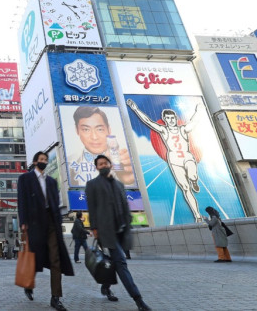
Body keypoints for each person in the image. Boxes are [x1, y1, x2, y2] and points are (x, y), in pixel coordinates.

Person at [86, 155, 151, 311]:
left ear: (110, 165)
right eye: (100, 164)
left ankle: (106, 286)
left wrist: (128, 221)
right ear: (96, 167)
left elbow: (125, 205)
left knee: (116, 262)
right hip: (105, 231)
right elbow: (92, 208)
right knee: (121, 262)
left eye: (105, 163)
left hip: (122, 230)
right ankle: (138, 300)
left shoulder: (119, 185)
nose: (103, 166)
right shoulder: (92, 184)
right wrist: (94, 228)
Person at [127, 99, 203, 222]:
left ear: (175, 118)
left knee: (193, 175)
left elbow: (194, 122)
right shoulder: (164, 130)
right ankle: (197, 215)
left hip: (187, 157)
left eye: (173, 118)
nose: (171, 120)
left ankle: (194, 180)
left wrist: (198, 110)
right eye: (168, 118)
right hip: (174, 159)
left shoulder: (183, 129)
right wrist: (135, 109)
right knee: (185, 188)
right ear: (165, 120)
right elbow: (148, 122)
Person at [18, 151, 73, 311]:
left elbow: (55, 203)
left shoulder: (51, 181)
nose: (44, 161)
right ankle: (28, 284)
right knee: (35, 258)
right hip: (34, 223)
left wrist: (59, 221)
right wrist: (23, 222)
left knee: (55, 259)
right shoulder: (25, 179)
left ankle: (55, 297)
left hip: (51, 223)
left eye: (45, 160)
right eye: (41, 159)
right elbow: (22, 201)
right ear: (35, 162)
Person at [68, 106, 135, 187]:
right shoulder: (69, 163)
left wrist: (130, 182)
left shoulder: (126, 159)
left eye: (99, 129)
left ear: (109, 130)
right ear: (77, 131)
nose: (94, 137)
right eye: (86, 129)